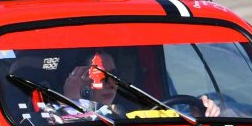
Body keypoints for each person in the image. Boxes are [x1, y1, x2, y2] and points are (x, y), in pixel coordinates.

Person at [63, 51, 222, 118]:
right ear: (78, 79)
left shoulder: (134, 111)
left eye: (114, 75)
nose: (111, 83)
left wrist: (200, 117)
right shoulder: (56, 115)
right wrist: (71, 97)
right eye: (100, 76)